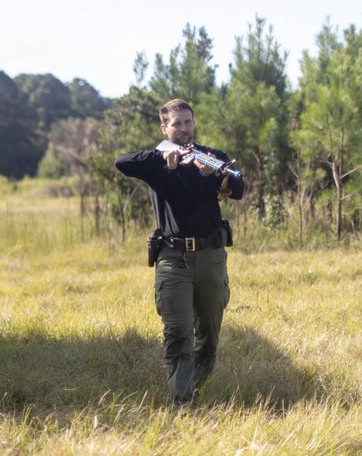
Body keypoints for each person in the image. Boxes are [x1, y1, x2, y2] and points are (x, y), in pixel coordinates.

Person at [114, 99, 245, 406]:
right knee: (177, 332)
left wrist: (215, 174)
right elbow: (122, 162)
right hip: (173, 259)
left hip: (211, 256)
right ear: (165, 128)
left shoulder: (212, 156)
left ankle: (194, 384)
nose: (184, 128)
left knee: (209, 334)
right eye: (177, 124)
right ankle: (182, 402)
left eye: (188, 122)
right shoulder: (157, 161)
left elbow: (239, 190)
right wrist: (160, 154)